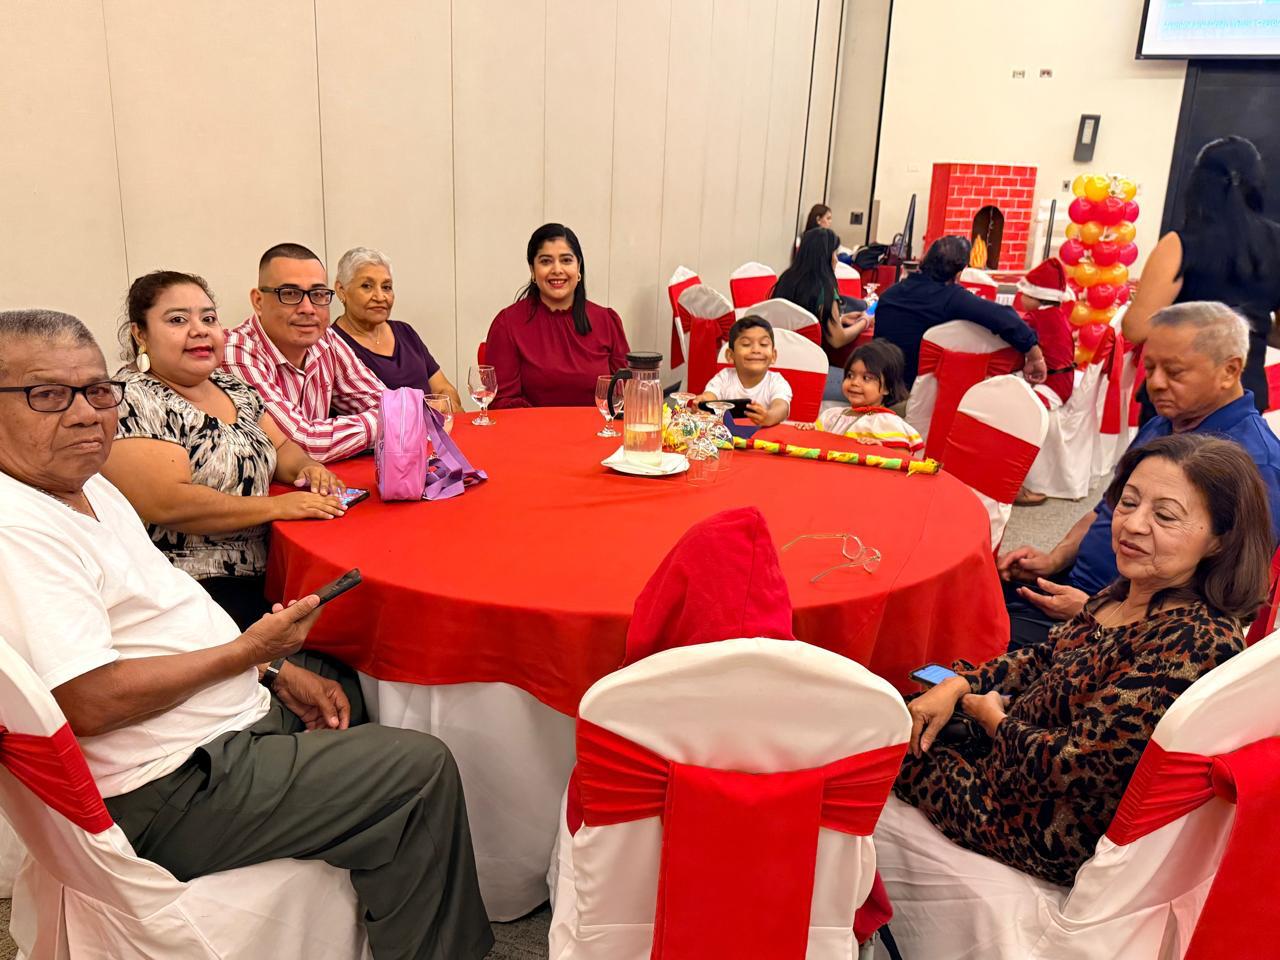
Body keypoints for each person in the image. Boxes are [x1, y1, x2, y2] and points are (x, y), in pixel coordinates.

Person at [0, 309, 493, 960]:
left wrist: (270, 669)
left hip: (206, 730)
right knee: (419, 769)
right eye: (47, 395)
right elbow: (89, 701)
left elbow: (159, 623)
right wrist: (249, 650)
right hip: (168, 786)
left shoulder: (84, 483)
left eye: (96, 391)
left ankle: (383, 881)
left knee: (347, 678)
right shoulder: (18, 528)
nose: (86, 414)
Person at [894, 432, 1270, 885]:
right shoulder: (1131, 590)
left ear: (1219, 541)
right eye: (1128, 503)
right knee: (902, 708)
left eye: (1165, 516)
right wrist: (963, 684)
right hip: (1012, 758)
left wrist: (990, 718)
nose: (1132, 525)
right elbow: (1044, 657)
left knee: (882, 741)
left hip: (1042, 822)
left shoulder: (1194, 643)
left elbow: (1074, 766)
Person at [999, 301, 1280, 650]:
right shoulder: (1165, 424)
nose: (1155, 384)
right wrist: (1054, 558)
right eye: (1150, 368)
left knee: (977, 646)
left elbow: (1229, 597)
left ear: (1229, 370)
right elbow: (1106, 509)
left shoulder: (1257, 464)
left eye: (1174, 372)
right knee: (973, 592)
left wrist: (1099, 613)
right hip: (1079, 590)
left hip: (1131, 635)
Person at [103, 270, 347, 630]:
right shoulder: (129, 396)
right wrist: (278, 506)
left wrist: (307, 467)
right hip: (188, 585)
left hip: (267, 567)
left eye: (208, 318)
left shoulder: (232, 387)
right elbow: (167, 502)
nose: (199, 330)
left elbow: (281, 447)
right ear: (141, 334)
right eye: (177, 320)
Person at [1123, 136, 1280, 413]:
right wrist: (1250, 325)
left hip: (1178, 394)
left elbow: (1136, 328)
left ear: (1198, 184)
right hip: (1243, 393)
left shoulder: (1180, 244)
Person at [223, 243, 385, 463]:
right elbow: (301, 444)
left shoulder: (325, 338)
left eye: (318, 294)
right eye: (290, 294)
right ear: (258, 301)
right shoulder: (236, 352)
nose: (308, 309)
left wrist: (394, 415)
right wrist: (387, 421)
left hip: (317, 480)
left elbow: (387, 404)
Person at [873, 235, 1046, 389]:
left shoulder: (890, 294)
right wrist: (1035, 356)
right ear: (959, 273)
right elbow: (1004, 318)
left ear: (922, 260)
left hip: (877, 383)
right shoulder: (950, 298)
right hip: (914, 390)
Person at [486, 223, 630, 408]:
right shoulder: (507, 325)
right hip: (531, 427)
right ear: (532, 270)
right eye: (546, 261)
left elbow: (627, 393)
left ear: (578, 268)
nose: (557, 270)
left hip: (599, 426)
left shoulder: (607, 321)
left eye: (566, 260)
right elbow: (502, 403)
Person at [331, 246, 465, 411]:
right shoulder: (333, 346)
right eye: (367, 286)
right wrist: (428, 411)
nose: (380, 297)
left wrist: (444, 404)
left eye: (386, 287)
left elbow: (444, 388)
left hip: (432, 424)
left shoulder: (405, 332)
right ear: (341, 290)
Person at [772, 227, 869, 399]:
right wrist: (864, 322)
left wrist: (839, 318)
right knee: (870, 386)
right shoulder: (824, 288)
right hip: (809, 373)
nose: (836, 260)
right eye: (834, 253)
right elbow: (837, 339)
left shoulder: (785, 280)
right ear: (826, 256)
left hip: (777, 369)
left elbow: (801, 319)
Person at [1013, 258, 1079, 505]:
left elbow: (1015, 333)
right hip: (1061, 380)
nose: (1021, 296)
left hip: (1052, 386)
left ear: (1038, 298)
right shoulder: (1056, 314)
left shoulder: (1037, 319)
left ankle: (1015, 478)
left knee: (1009, 408)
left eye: (1025, 293)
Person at [809, 340, 923, 456]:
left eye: (866, 378)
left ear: (887, 388)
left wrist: (880, 450)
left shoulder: (888, 424)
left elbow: (901, 460)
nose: (855, 382)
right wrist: (807, 430)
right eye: (850, 375)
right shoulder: (830, 415)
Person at [694, 315, 793, 427]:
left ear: (773, 356)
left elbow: (781, 407)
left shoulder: (777, 381)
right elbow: (710, 396)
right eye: (746, 344)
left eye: (763, 344)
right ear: (730, 355)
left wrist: (769, 417)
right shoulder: (724, 377)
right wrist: (702, 402)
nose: (756, 350)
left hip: (767, 437)